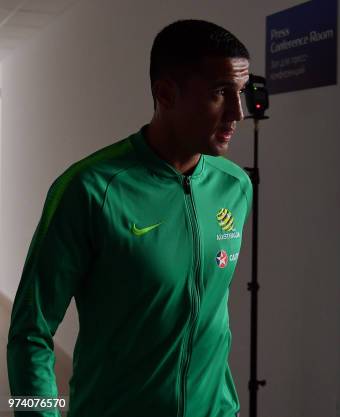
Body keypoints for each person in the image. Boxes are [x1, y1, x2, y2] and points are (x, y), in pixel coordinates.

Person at [7, 20, 252, 417]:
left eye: (240, 92)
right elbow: (28, 332)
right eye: (220, 93)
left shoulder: (235, 185)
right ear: (166, 93)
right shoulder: (89, 189)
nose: (237, 113)